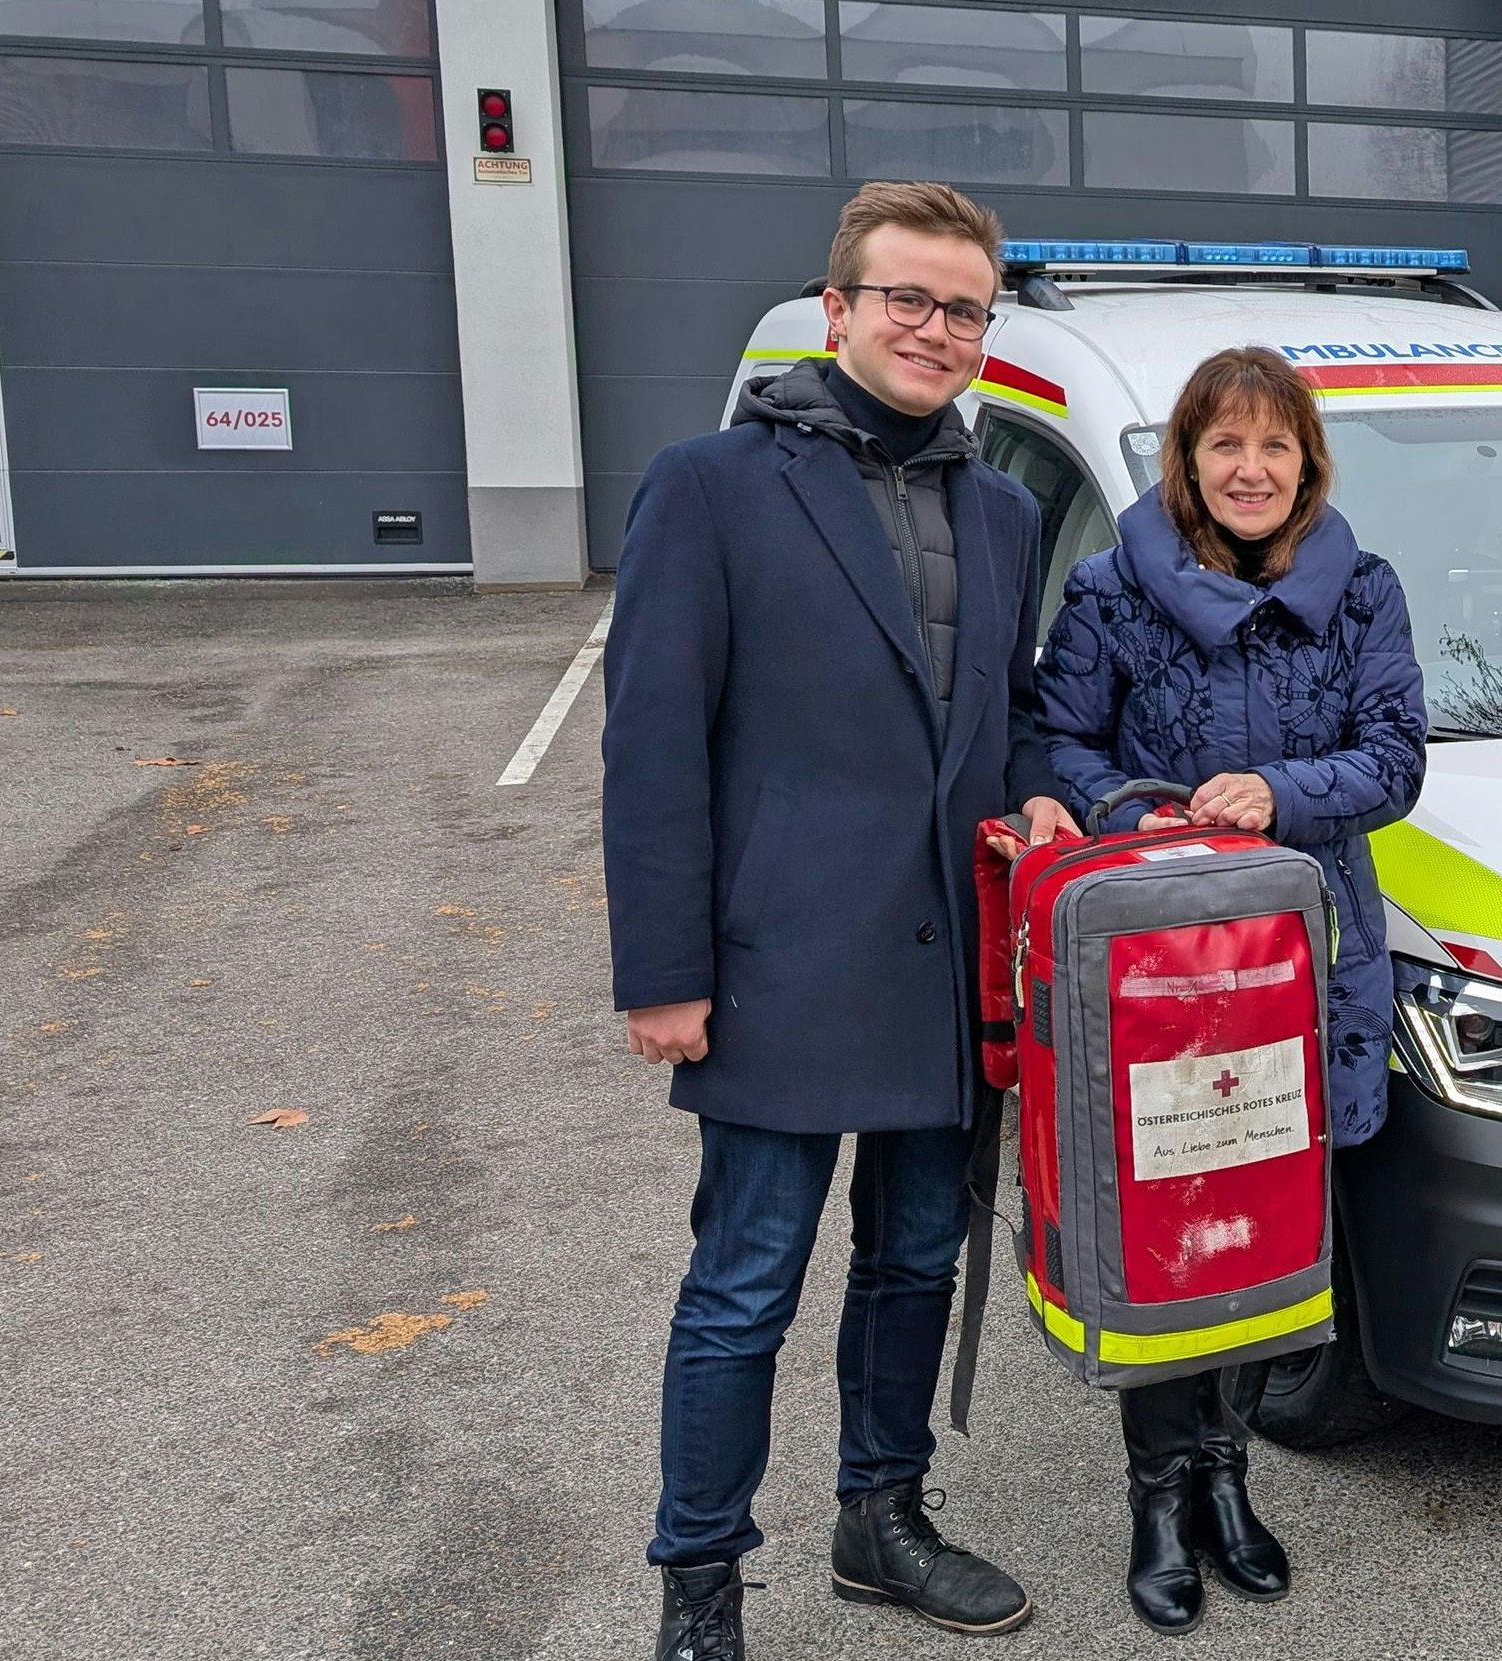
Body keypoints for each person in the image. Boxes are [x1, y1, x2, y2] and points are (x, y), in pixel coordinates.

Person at [606, 180, 1079, 1659]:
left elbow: (1016, 720)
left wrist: (1055, 800)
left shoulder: (999, 510)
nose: (935, 329)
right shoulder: (712, 485)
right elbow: (653, 742)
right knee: (745, 1283)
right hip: (779, 971)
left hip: (950, 972)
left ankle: (882, 1516)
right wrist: (665, 970)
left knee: (916, 1260)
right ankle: (700, 1584)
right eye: (908, 299)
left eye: (962, 308)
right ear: (841, 309)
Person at [1029, 345, 1425, 1634]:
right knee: (1170, 1221)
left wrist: (1283, 794)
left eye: (1274, 445)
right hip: (1162, 966)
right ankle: (1158, 1491)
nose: (1250, 469)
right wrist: (1135, 819)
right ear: (1185, 462)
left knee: (1260, 1211)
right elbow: (1059, 742)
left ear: (1308, 461)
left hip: (1312, 957)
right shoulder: (1110, 594)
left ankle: (1225, 1475)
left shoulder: (1363, 591)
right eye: (1223, 446)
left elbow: (1396, 756)